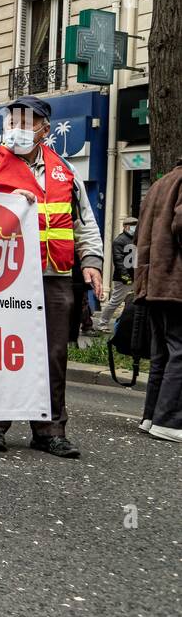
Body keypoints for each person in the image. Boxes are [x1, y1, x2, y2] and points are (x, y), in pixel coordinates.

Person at [0, 96, 104, 458]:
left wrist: (91, 261)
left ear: (44, 129)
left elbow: (83, 222)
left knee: (53, 354)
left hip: (54, 276)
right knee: (0, 349)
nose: (17, 129)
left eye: (26, 122)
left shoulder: (65, 171)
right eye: (12, 122)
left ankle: (50, 429)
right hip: (2, 277)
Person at [136, 165, 182, 441]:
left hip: (153, 280)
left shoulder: (159, 184)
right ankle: (170, 421)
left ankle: (151, 416)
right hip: (176, 281)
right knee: (179, 350)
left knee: (162, 353)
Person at [93, 217, 137, 334]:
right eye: (133, 225)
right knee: (115, 301)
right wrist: (125, 276)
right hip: (123, 278)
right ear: (126, 226)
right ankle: (102, 323)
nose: (135, 228)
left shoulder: (137, 239)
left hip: (137, 276)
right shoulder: (119, 241)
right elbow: (118, 260)